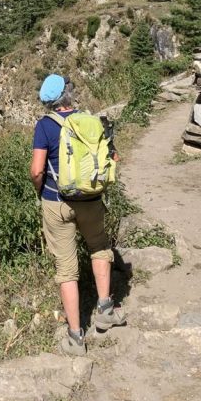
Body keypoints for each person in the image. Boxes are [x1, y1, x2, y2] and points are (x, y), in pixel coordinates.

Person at [30, 73, 124, 356]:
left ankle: (75, 336)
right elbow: (113, 157)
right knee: (99, 248)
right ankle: (105, 310)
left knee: (66, 269)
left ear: (47, 102)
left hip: (56, 202)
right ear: (69, 94)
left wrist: (41, 191)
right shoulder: (90, 120)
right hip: (92, 199)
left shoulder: (45, 126)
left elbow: (36, 170)